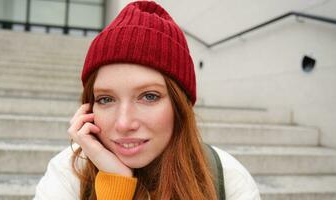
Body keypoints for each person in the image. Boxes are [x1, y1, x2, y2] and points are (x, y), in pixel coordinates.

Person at [34, 1, 260, 199]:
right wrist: (115, 185)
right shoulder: (69, 173)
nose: (123, 123)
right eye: (105, 99)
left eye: (149, 96)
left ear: (179, 105)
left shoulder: (227, 179)